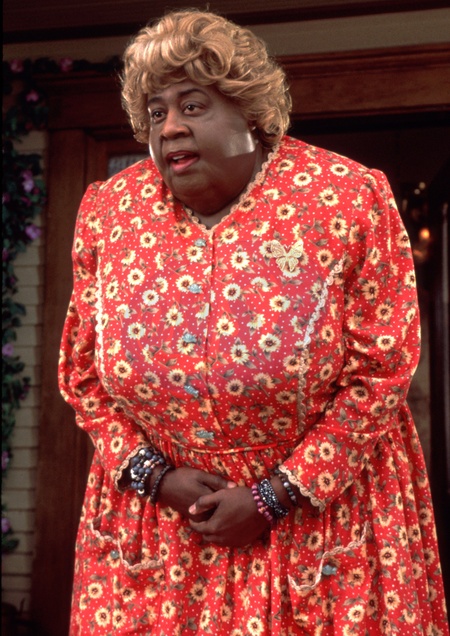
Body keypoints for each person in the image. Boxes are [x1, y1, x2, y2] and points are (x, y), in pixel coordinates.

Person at [58, 9, 449, 635]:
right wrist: (155, 477)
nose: (170, 126)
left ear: (250, 113)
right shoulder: (109, 212)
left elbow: (382, 370)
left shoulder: (348, 197)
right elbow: (81, 371)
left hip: (321, 527)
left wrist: (275, 495)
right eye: (155, 113)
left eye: (193, 105)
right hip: (158, 535)